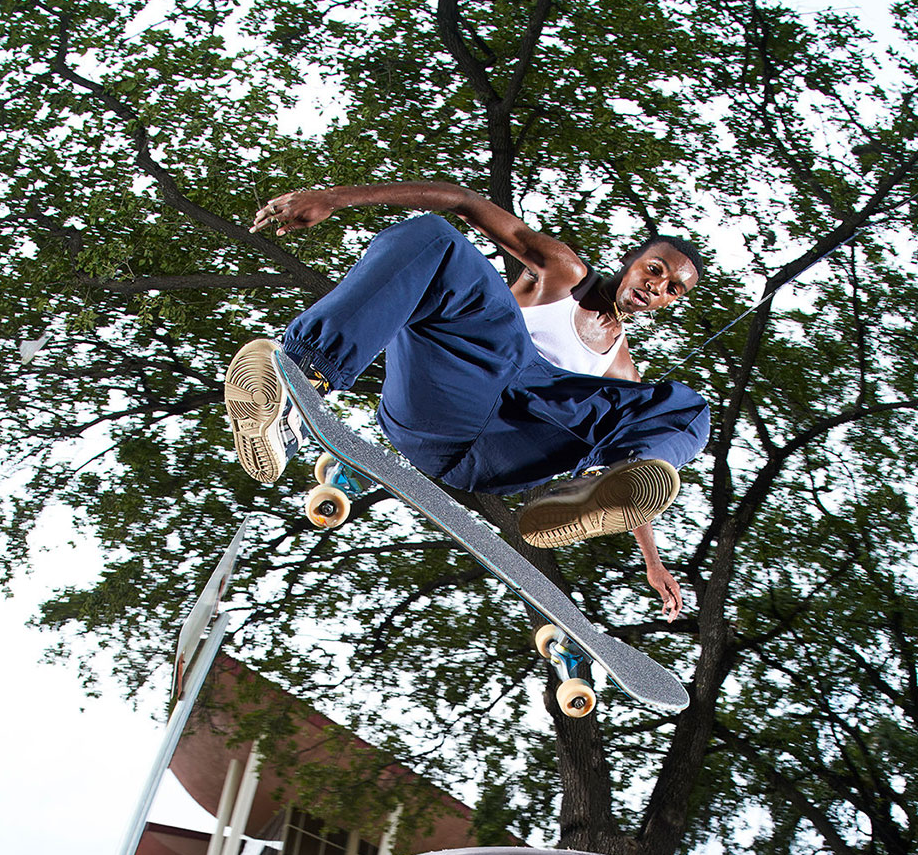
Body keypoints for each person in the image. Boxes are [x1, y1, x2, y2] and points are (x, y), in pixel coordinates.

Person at [224, 180, 709, 620]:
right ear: (632, 261)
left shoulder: (623, 373)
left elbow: (636, 478)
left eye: (672, 289)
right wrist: (334, 198)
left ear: (672, 303)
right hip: (448, 393)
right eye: (654, 269)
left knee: (685, 408)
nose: (655, 287)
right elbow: (464, 201)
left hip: (511, 449)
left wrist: (652, 558)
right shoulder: (562, 272)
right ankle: (297, 388)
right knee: (435, 238)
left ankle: (581, 487)